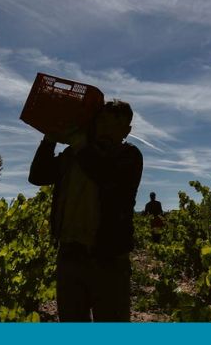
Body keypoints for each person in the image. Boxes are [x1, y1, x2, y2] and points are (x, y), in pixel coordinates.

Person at [28, 99, 143, 322]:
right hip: (69, 256)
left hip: (109, 259)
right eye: (102, 123)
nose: (106, 129)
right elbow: (38, 176)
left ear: (126, 131)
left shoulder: (129, 156)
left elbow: (106, 178)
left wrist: (80, 145)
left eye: (115, 124)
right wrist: (49, 140)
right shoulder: (73, 156)